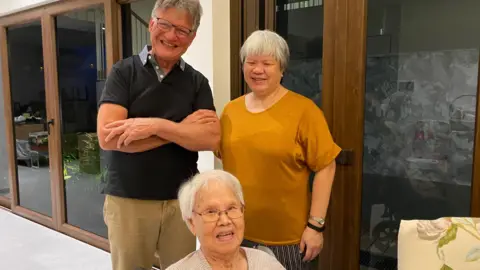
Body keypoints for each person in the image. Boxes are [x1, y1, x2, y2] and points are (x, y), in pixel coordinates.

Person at [96, 1, 220, 269]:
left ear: (192, 38)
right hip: (129, 199)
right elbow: (109, 138)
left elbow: (211, 139)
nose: (171, 35)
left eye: (182, 30)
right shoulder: (123, 73)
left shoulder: (197, 82)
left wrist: (156, 127)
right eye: (165, 24)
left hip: (182, 201)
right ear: (152, 24)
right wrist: (183, 129)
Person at [217, 30, 341, 269]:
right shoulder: (231, 111)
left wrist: (315, 226)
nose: (257, 70)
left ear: (282, 69)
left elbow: (326, 166)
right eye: (251, 63)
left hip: (287, 239)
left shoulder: (304, 111)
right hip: (234, 230)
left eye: (267, 63)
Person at [167, 170, 286, 270]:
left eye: (231, 208)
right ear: (192, 223)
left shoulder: (266, 264)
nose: (225, 221)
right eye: (211, 212)